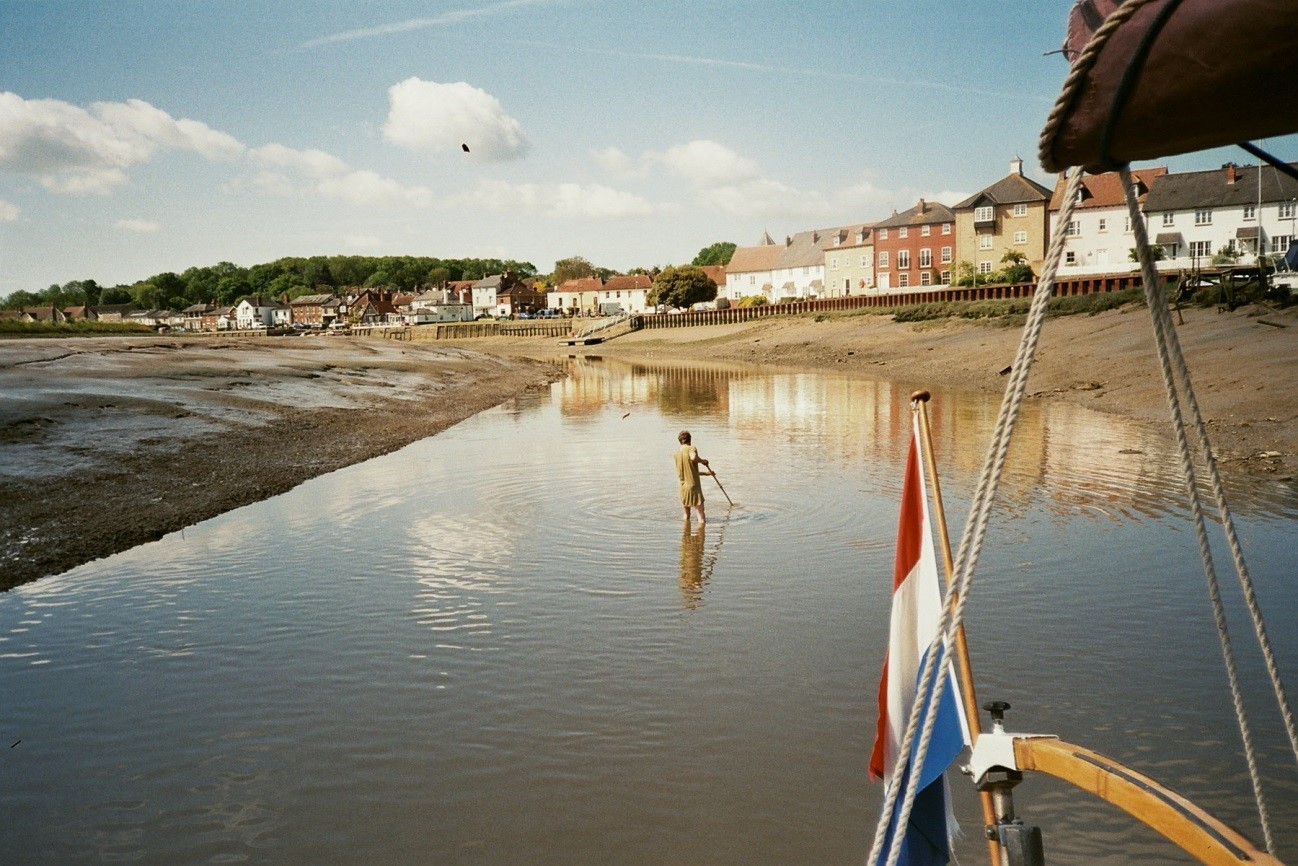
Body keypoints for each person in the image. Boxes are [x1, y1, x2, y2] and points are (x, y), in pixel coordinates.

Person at [674, 430, 712, 524]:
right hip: (694, 487)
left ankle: (685, 536)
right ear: (690, 440)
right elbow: (693, 457)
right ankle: (701, 536)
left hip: (683, 487)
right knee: (701, 515)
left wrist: (706, 473)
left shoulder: (676, 453)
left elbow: (690, 472)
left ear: (680, 441)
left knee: (686, 515)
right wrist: (703, 461)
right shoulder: (691, 448)